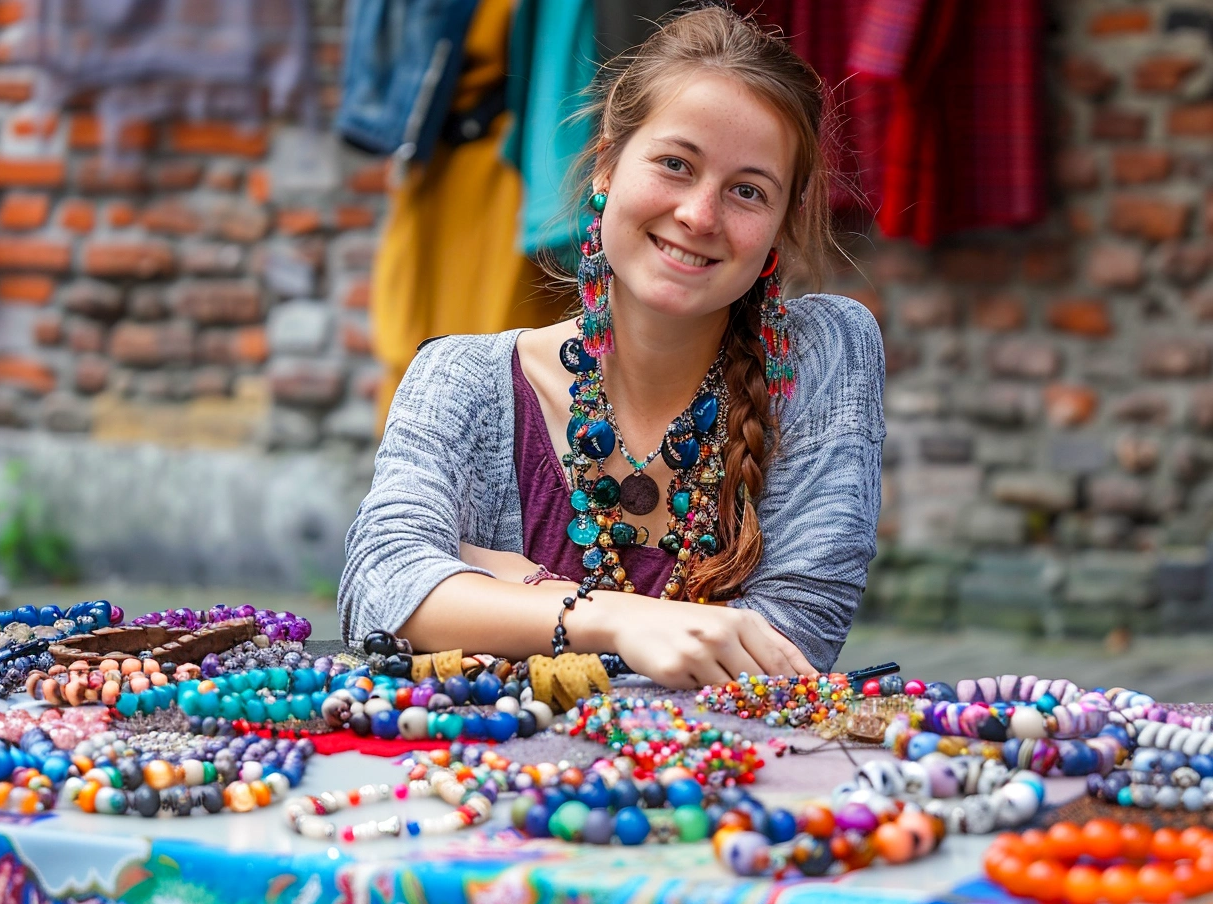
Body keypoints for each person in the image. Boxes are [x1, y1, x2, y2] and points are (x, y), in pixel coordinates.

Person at [339, 4, 885, 688]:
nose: (699, 215)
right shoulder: (459, 377)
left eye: (748, 191)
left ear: (782, 223)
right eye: (675, 164)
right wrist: (617, 621)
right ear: (605, 166)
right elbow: (380, 591)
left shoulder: (824, 354)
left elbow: (787, 641)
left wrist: (511, 588)